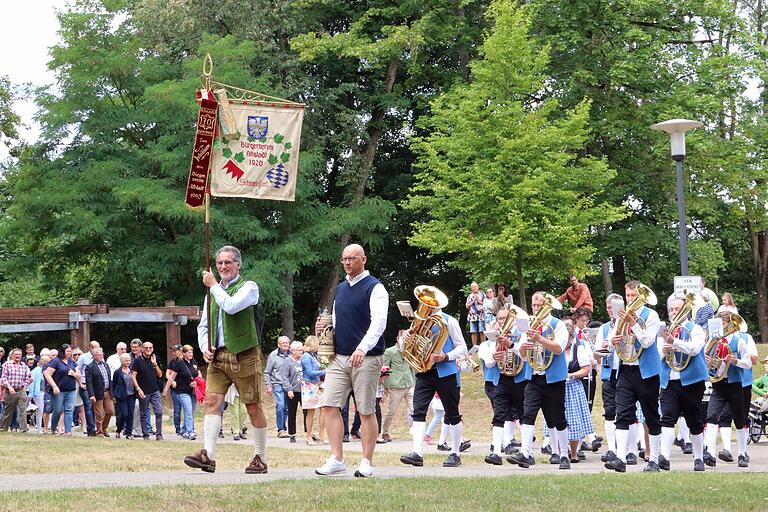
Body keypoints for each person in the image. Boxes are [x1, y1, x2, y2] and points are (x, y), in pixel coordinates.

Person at [185, 245, 268, 475]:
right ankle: (208, 456)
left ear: (238, 265)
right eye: (220, 263)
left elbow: (231, 307)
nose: (223, 267)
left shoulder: (249, 287)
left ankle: (260, 458)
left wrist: (213, 286)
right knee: (212, 402)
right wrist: (204, 348)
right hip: (218, 356)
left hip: (245, 354)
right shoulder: (211, 293)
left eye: (228, 262)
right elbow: (203, 326)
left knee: (253, 407)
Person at [314, 243, 388, 478]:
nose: (347, 263)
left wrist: (362, 348)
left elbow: (379, 324)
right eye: (344, 259)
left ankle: (367, 462)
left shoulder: (375, 288)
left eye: (352, 259)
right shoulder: (342, 288)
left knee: (366, 410)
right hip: (340, 356)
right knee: (329, 405)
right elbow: (337, 321)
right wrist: (324, 328)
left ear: (363, 260)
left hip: (366, 357)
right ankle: (337, 458)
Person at [400, 298, 468, 469]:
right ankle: (417, 452)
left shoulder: (449, 321)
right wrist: (405, 338)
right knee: (418, 411)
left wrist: (445, 356)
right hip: (424, 371)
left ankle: (455, 453)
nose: (425, 307)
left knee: (452, 414)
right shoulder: (419, 321)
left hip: (446, 372)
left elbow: (462, 348)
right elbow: (405, 348)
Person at [507, 292, 571, 470]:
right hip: (534, 377)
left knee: (558, 417)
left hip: (554, 378)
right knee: (527, 414)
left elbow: (559, 348)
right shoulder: (528, 326)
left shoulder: (557, 325)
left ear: (547, 306)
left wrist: (540, 339)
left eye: (539, 305)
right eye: (534, 305)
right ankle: (526, 453)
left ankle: (564, 454)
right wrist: (524, 348)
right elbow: (521, 353)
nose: (536, 309)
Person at [604, 280, 662, 473]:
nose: (630, 299)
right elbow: (610, 340)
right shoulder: (621, 316)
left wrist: (633, 324)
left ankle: (653, 459)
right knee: (622, 414)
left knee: (651, 416)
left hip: (646, 372)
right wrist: (615, 339)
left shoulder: (651, 315)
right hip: (626, 370)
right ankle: (620, 458)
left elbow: (647, 341)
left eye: (633, 296)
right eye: (627, 296)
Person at [657, 297, 707, 471]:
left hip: (692, 381)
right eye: (671, 309)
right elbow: (657, 355)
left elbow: (695, 349)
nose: (673, 312)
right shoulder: (664, 331)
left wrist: (675, 343)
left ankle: (699, 458)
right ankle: (664, 457)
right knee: (667, 417)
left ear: (685, 310)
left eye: (677, 309)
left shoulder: (696, 329)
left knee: (694, 420)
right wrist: (663, 351)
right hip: (670, 380)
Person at [703, 311, 753, 468]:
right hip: (718, 384)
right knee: (711, 416)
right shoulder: (713, 341)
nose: (719, 327)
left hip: (735, 384)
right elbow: (707, 361)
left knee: (739, 420)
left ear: (728, 324)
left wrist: (735, 360)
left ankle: (742, 453)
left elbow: (748, 363)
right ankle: (710, 452)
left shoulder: (739, 341)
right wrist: (708, 361)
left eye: (722, 324)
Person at [482, 308, 529, 465]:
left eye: (505, 318)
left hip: (520, 379)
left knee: (523, 415)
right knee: (499, 414)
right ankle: (496, 452)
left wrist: (510, 344)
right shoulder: (495, 337)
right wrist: (495, 356)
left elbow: (524, 354)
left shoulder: (521, 333)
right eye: (500, 319)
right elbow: (488, 362)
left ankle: (526, 452)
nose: (502, 321)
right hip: (502, 378)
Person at [595, 294, 621, 462]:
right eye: (609, 307)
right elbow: (597, 353)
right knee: (609, 411)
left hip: (624, 372)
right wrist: (602, 349)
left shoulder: (626, 326)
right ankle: (612, 448)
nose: (611, 310)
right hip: (607, 373)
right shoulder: (604, 328)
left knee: (626, 411)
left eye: (613, 307)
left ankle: (628, 449)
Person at [380, 330, 415, 443]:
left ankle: (416, 431)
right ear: (397, 338)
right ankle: (385, 432)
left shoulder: (409, 350)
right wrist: (386, 385)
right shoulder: (390, 351)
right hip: (396, 385)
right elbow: (385, 368)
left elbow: (412, 367)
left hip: (409, 384)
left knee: (415, 409)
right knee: (392, 411)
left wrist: (414, 381)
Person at [43, 344, 80, 435]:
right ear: (62, 352)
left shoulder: (72, 362)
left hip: (71, 390)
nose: (69, 353)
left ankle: (68, 431)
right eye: (67, 351)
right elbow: (47, 374)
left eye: (70, 351)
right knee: (58, 411)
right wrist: (54, 386)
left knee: (68, 410)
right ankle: (53, 429)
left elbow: (79, 375)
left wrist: (74, 374)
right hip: (59, 390)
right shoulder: (56, 361)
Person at [164, 344, 199, 440]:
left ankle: (184, 430)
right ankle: (191, 431)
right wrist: (166, 389)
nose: (191, 354)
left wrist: (199, 384)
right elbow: (171, 377)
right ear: (183, 353)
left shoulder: (194, 362)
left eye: (192, 352)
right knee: (187, 410)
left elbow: (198, 375)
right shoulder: (179, 363)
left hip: (193, 392)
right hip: (183, 391)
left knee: (191, 412)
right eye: (188, 352)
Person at [131, 341, 164, 440]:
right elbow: (133, 377)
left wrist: (155, 365)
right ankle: (145, 434)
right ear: (142, 349)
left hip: (154, 390)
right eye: (146, 348)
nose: (148, 349)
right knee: (144, 413)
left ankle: (159, 434)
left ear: (153, 349)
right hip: (143, 391)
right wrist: (138, 389)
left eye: (150, 347)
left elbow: (160, 375)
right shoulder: (138, 361)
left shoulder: (154, 358)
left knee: (159, 411)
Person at [264, 335, 291, 438]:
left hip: (289, 384)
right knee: (280, 405)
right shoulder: (273, 355)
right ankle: (281, 429)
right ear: (278, 344)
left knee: (287, 408)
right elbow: (267, 372)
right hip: (277, 383)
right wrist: (269, 386)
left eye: (286, 343)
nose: (285, 345)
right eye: (283, 343)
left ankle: (284, 428)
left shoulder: (291, 354)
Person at [301, 335, 326, 444]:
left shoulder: (314, 356)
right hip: (309, 385)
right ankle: (308, 436)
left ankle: (321, 435)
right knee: (311, 411)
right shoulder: (306, 356)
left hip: (317, 385)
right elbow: (309, 372)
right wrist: (325, 371)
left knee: (323, 409)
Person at [86, 347, 115, 437]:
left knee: (110, 411)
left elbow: (109, 380)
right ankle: (99, 432)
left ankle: (104, 428)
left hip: (107, 392)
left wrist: (112, 392)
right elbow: (89, 382)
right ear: (94, 356)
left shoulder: (106, 365)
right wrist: (91, 395)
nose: (101, 356)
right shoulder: (90, 367)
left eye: (102, 354)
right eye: (99, 355)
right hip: (97, 393)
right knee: (99, 414)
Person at [1, 348, 32, 432]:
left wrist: (25, 387)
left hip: (21, 391)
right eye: (16, 354)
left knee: (23, 411)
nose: (18, 356)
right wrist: (9, 387)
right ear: (12, 356)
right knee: (8, 412)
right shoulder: (6, 365)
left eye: (19, 354)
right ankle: (4, 428)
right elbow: (3, 378)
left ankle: (23, 429)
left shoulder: (24, 366)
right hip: (10, 391)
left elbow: (27, 378)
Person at [281, 341, 304, 443]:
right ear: (293, 351)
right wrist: (289, 389)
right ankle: (292, 434)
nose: (301, 351)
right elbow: (284, 377)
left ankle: (308, 432)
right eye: (299, 350)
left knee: (307, 412)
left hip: (304, 390)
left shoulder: (304, 360)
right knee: (292, 412)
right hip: (293, 391)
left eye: (301, 349)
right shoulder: (288, 361)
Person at [76, 340, 99, 436]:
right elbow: (77, 369)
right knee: (88, 405)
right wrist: (80, 383)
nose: (96, 349)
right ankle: (91, 429)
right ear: (90, 348)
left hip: (95, 385)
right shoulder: (83, 357)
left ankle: (98, 428)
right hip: (85, 385)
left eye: (98, 347)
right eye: (94, 347)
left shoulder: (99, 357)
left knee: (96, 406)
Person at [112, 353, 136, 439]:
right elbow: (113, 384)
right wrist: (114, 395)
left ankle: (129, 433)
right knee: (124, 414)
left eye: (129, 360)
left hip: (131, 395)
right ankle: (119, 429)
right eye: (126, 361)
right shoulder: (117, 372)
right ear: (122, 361)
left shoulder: (132, 371)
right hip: (121, 396)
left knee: (130, 414)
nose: (128, 362)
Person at [28, 355, 49, 434]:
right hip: (39, 392)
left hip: (47, 392)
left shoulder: (48, 370)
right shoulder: (36, 371)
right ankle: (39, 428)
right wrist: (31, 394)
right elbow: (32, 383)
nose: (48, 363)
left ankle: (46, 427)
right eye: (46, 361)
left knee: (47, 410)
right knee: (40, 410)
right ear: (41, 361)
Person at [465, 282, 485, 346]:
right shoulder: (469, 296)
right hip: (472, 316)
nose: (475, 288)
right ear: (471, 288)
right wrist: (473, 301)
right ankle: (475, 346)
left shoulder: (483, 294)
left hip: (481, 315)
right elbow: (467, 306)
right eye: (473, 287)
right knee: (473, 331)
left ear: (478, 287)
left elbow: (487, 304)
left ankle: (483, 346)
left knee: (482, 331)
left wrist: (479, 301)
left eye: (476, 286)